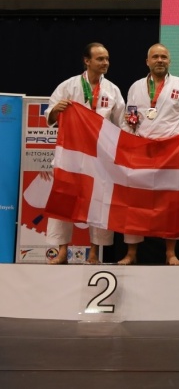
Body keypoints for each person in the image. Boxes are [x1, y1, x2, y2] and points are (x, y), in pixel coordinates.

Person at [119, 43, 179, 265]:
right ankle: (131, 253)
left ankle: (170, 253)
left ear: (169, 61)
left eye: (164, 57)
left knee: (172, 204)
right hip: (142, 151)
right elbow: (129, 119)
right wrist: (128, 141)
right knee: (135, 203)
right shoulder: (136, 87)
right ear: (147, 61)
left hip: (172, 152)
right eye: (155, 57)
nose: (160, 60)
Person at [44, 42, 125, 264]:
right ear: (87, 61)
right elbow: (49, 115)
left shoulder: (113, 90)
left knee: (98, 202)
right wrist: (55, 111)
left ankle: (94, 253)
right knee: (64, 200)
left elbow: (121, 124)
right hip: (71, 155)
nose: (105, 62)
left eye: (107, 58)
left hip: (100, 156)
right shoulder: (68, 86)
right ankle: (62, 250)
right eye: (100, 59)